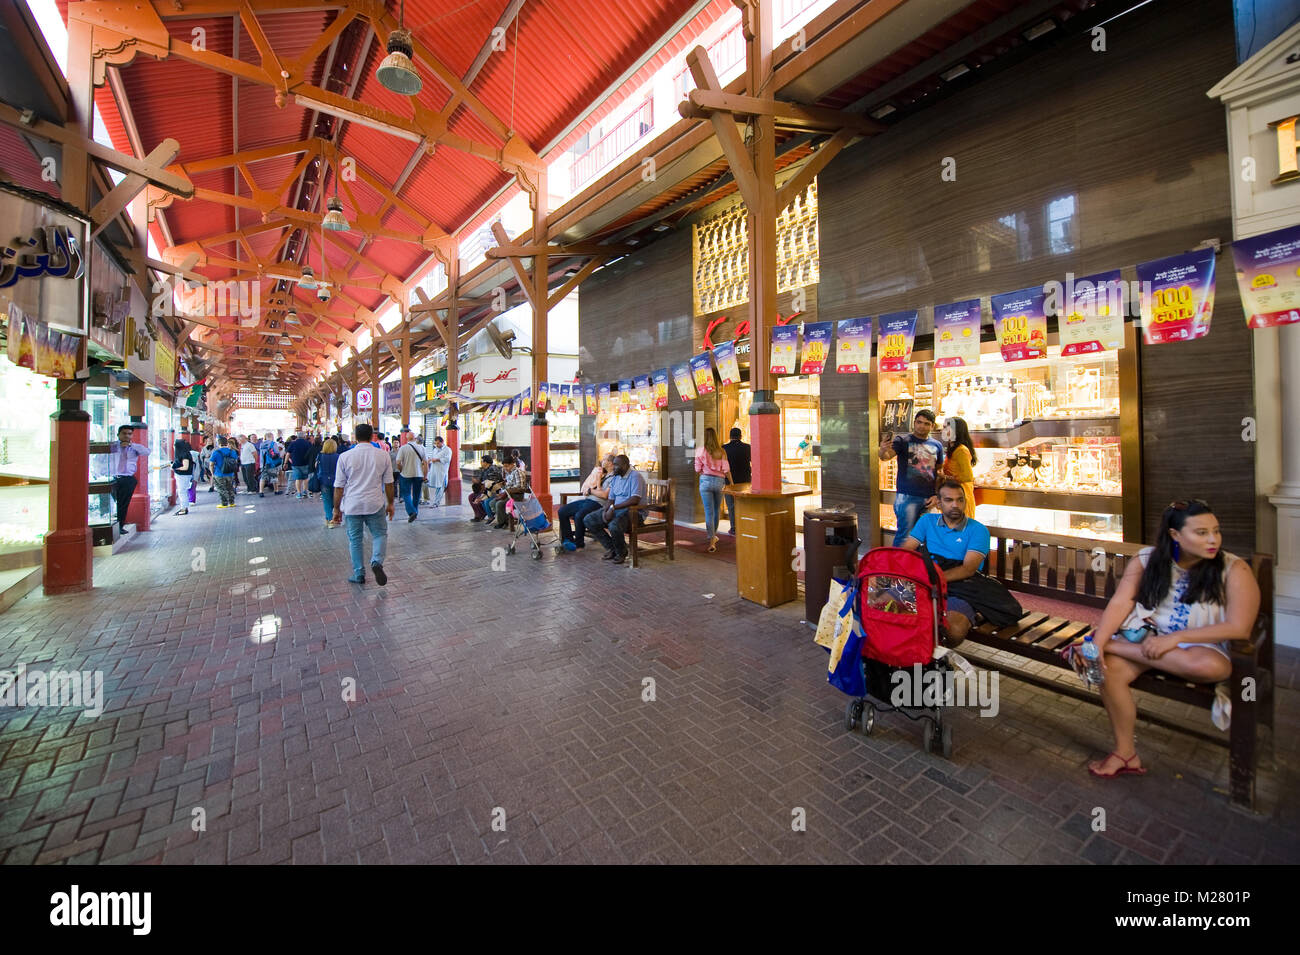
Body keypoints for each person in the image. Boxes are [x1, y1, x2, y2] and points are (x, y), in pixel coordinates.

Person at [1075, 500, 1259, 779]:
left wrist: (1176, 638)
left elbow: (1239, 628)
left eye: (1216, 531)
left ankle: (1116, 646)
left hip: (1199, 646)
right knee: (1108, 671)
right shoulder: (1147, 560)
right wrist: (1099, 642)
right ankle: (1126, 753)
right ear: (1175, 535)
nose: (1213, 539)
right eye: (1201, 532)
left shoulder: (1234, 569)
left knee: (1214, 668)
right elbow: (1122, 602)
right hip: (1150, 637)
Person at [900, 480, 996, 646]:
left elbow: (968, 569)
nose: (955, 505)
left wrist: (932, 580)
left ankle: (931, 660)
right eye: (948, 500)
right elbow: (906, 551)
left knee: (953, 631)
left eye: (960, 500)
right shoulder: (927, 521)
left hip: (960, 587)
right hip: (926, 584)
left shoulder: (978, 530)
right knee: (880, 605)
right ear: (939, 503)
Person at [332, 423, 395, 585]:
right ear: (372, 436)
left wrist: (336, 509)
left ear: (355, 436)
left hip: (352, 504)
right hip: (375, 502)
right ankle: (376, 561)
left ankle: (359, 573)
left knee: (355, 539)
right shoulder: (383, 455)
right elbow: (389, 483)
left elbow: (339, 486)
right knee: (380, 534)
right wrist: (390, 504)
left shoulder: (345, 457)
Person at [878, 409, 944, 545]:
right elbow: (886, 457)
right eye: (919, 422)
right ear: (914, 422)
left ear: (932, 426)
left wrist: (937, 494)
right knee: (904, 535)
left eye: (926, 423)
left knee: (928, 536)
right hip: (907, 497)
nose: (922, 426)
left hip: (929, 498)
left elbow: (939, 473)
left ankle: (919, 565)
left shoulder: (937, 445)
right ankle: (898, 565)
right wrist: (882, 449)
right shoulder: (903, 440)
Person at [583, 454, 646, 565]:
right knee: (589, 520)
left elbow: (634, 499)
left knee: (614, 525)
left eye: (617, 465)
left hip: (634, 512)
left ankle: (621, 553)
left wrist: (613, 507)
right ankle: (612, 548)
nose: (614, 467)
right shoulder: (616, 477)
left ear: (625, 465)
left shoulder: (635, 476)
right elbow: (611, 499)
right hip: (617, 510)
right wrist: (606, 510)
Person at [557, 454, 613, 551]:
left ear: (610, 463)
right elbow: (590, 486)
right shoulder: (602, 473)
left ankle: (579, 544)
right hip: (588, 499)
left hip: (598, 503)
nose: (602, 461)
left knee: (579, 515)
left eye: (605, 459)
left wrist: (593, 488)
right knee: (562, 511)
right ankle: (569, 540)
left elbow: (604, 495)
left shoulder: (613, 478)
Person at [694, 427, 731, 552]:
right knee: (716, 510)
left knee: (708, 512)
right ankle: (713, 538)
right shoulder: (722, 451)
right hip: (719, 482)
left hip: (705, 481)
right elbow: (726, 470)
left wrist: (703, 472)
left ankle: (712, 539)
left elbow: (697, 469)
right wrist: (732, 483)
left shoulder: (700, 451)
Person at [108, 424, 148, 534]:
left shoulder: (134, 448)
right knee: (117, 502)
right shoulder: (112, 446)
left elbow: (146, 452)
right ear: (118, 434)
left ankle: (120, 525)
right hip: (114, 478)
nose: (126, 436)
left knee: (123, 503)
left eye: (129, 434)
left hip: (128, 479)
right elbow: (102, 458)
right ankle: (113, 522)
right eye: (124, 433)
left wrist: (131, 445)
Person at [941, 416, 977, 518]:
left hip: (961, 495)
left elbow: (967, 476)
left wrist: (945, 477)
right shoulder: (953, 449)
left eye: (946, 428)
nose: (942, 430)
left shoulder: (961, 450)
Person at [722, 427, 751, 535]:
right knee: (745, 504)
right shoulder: (748, 447)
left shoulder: (724, 448)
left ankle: (734, 528)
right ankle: (746, 525)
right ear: (741, 436)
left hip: (730, 481)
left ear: (730, 437)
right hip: (746, 480)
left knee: (731, 505)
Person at [395, 433, 428, 522]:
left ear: (406, 438)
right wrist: (425, 475)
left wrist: (401, 470)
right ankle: (415, 513)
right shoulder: (422, 448)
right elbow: (426, 463)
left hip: (406, 474)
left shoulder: (403, 448)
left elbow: (398, 462)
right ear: (415, 438)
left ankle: (411, 512)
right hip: (419, 474)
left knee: (406, 494)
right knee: (416, 495)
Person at [489, 452, 527, 529]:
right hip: (509, 494)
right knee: (492, 502)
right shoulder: (508, 472)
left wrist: (507, 491)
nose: (505, 468)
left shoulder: (517, 472)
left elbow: (520, 487)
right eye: (504, 466)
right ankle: (504, 520)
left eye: (507, 466)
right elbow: (508, 484)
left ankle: (502, 522)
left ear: (512, 464)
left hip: (517, 496)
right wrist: (503, 485)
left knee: (500, 504)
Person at [469, 455, 504, 523]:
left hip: (493, 491)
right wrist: (476, 481)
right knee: (471, 496)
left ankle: (490, 516)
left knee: (484, 500)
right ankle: (479, 514)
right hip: (485, 489)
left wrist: (480, 484)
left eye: (482, 461)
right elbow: (481, 481)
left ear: (486, 462)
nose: (481, 463)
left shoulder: (493, 469)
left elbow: (491, 484)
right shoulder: (484, 470)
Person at [316, 438, 341, 527]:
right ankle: (335, 517)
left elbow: (316, 467)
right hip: (336, 481)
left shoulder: (320, 456)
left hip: (324, 480)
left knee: (327, 500)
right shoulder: (338, 456)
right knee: (336, 500)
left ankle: (329, 519)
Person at [209, 437, 240, 508]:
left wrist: (212, 473)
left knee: (221, 488)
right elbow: (235, 462)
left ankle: (224, 503)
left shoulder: (216, 452)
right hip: (230, 473)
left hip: (219, 473)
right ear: (227, 443)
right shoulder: (233, 451)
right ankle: (232, 502)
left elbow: (211, 464)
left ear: (219, 443)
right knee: (230, 487)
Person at [171, 437, 196, 515]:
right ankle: (183, 507)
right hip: (182, 475)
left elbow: (185, 467)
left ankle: (183, 508)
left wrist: (175, 467)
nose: (173, 447)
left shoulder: (185, 455)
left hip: (183, 476)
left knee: (182, 492)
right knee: (182, 491)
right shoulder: (184, 453)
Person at [286, 432, 314, 500]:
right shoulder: (308, 443)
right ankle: (305, 491)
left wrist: (285, 462)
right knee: (306, 478)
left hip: (295, 463)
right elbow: (311, 453)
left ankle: (299, 493)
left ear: (297, 437)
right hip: (305, 463)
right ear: (304, 436)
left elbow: (288, 453)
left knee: (298, 479)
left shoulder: (293, 443)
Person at [426, 436, 452, 507]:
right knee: (436, 486)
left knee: (440, 486)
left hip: (442, 471)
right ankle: (435, 501)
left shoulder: (447, 450)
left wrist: (437, 460)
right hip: (435, 470)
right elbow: (433, 457)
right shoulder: (435, 450)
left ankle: (436, 502)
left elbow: (447, 459)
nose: (437, 445)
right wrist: (430, 460)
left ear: (442, 442)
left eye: (438, 443)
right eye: (436, 443)